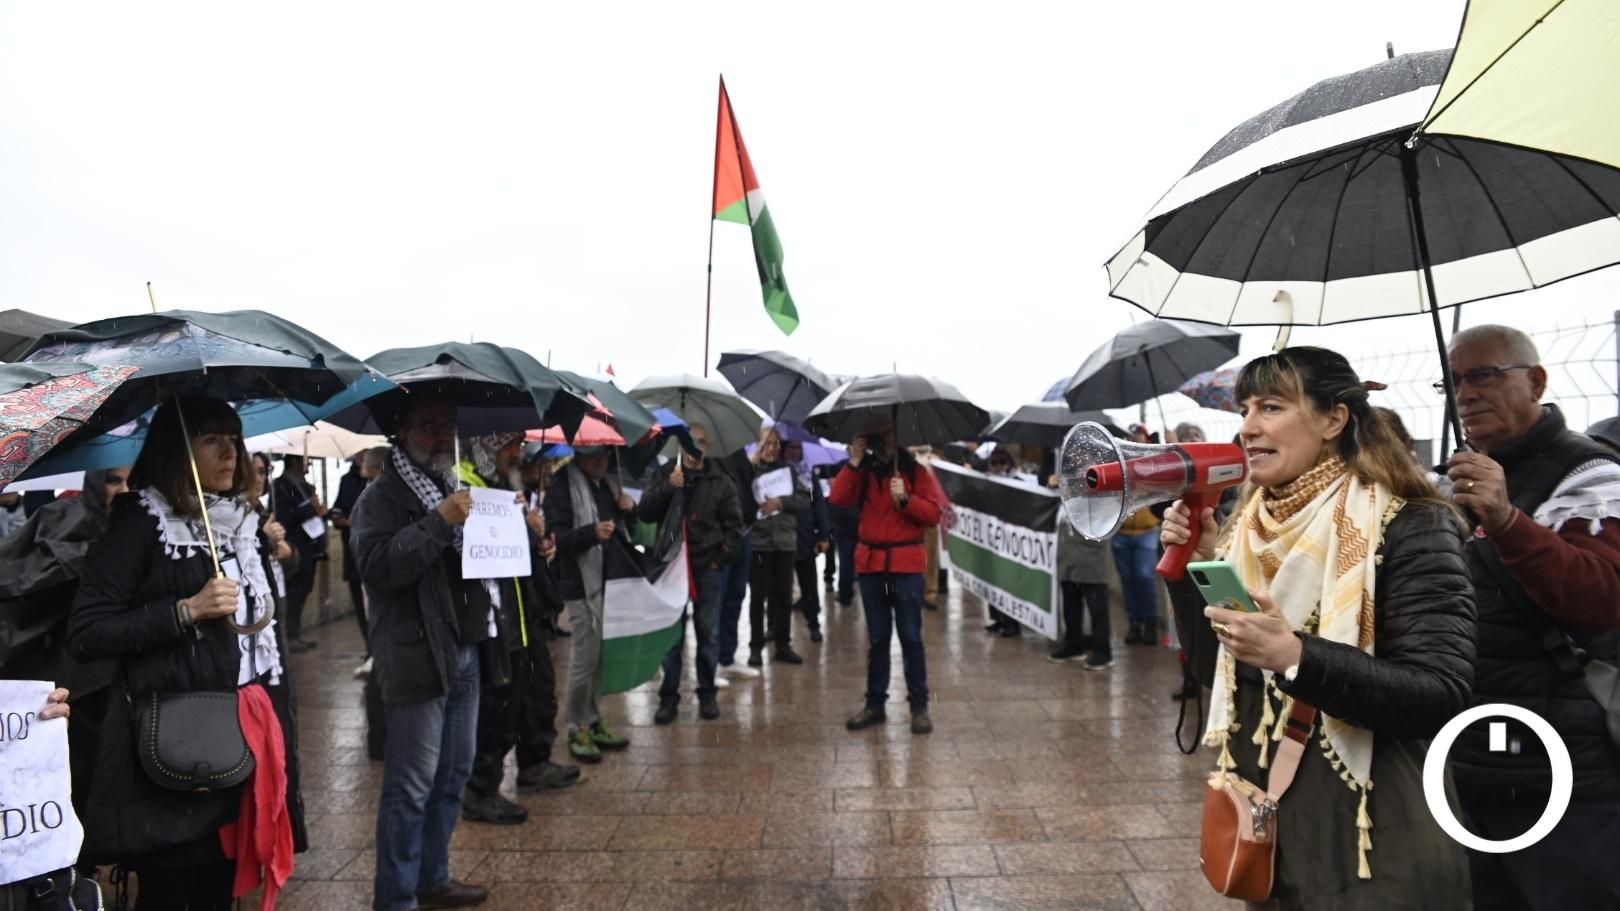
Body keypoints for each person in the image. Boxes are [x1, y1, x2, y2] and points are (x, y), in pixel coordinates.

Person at [1162, 347, 1475, 909]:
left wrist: (1295, 657)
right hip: (1277, 820)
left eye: (1272, 407)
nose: (1249, 428)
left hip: (1375, 828)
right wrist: (1195, 571)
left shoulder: (1412, 525)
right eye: (1244, 410)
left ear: (1335, 419)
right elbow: (1220, 674)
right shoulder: (1244, 531)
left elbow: (1439, 693)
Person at [69, 396, 305, 910]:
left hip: (246, 731)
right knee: (176, 889)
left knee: (220, 888)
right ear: (178, 451)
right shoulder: (142, 520)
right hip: (177, 742)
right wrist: (185, 611)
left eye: (234, 439)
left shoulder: (244, 524)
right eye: (211, 440)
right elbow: (87, 632)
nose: (231, 454)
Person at [1440, 325, 1620, 909]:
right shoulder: (1454, 482)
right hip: (1472, 753)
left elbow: (1600, 599)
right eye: (1455, 379)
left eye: (1483, 374)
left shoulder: (1591, 474)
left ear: (1535, 380)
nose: (1465, 393)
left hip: (1564, 762)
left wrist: (1508, 519)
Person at [351, 396, 489, 910]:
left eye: (448, 424)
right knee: (410, 787)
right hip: (415, 655)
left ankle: (434, 875)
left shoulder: (455, 488)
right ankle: (396, 897)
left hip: (464, 648)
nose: (440, 435)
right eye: (429, 425)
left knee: (453, 774)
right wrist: (439, 522)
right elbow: (379, 568)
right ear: (402, 433)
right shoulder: (379, 498)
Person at [455, 433, 580, 827]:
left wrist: (533, 535)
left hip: (524, 614)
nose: (518, 453)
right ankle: (480, 790)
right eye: (509, 445)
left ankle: (535, 762)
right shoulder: (466, 482)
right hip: (497, 618)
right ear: (487, 446)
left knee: (534, 691)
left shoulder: (501, 486)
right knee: (497, 708)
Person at [831, 414, 944, 736]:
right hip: (871, 566)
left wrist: (906, 499)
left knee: (911, 637)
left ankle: (919, 707)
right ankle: (875, 704)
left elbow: (934, 515)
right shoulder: (863, 472)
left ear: (896, 437)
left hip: (906, 566)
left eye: (885, 436)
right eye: (874, 437)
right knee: (878, 639)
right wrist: (854, 461)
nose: (881, 443)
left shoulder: (915, 472)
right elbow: (839, 500)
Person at [642, 424, 743, 724]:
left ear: (708, 446)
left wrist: (718, 560)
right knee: (672, 636)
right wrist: (667, 488)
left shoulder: (721, 481)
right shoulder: (666, 474)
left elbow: (735, 529)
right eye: (687, 442)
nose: (692, 448)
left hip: (706, 567)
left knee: (707, 632)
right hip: (671, 568)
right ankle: (668, 697)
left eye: (699, 442)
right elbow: (645, 512)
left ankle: (707, 692)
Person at [546, 445, 636, 764]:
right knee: (584, 656)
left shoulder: (606, 484)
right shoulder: (561, 486)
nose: (601, 462)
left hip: (605, 579)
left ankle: (593, 718)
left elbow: (621, 531)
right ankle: (575, 726)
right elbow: (556, 539)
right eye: (595, 456)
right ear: (579, 455)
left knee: (599, 655)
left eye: (605, 456)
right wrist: (591, 533)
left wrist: (626, 510)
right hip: (578, 582)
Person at [743, 426, 809, 665]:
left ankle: (783, 644)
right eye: (766, 444)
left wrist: (781, 502)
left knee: (783, 597)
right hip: (759, 542)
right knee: (758, 597)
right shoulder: (750, 470)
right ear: (758, 445)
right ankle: (755, 647)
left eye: (775, 444)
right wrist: (749, 470)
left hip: (784, 542)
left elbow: (805, 498)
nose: (771, 449)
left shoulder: (788, 471)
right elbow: (738, 499)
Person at [1048, 474, 1114, 670]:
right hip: (1068, 548)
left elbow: (1106, 497)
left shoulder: (1101, 470)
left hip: (1091, 551)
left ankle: (1103, 650)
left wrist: (1073, 488)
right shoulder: (1065, 468)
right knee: (1070, 601)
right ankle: (1073, 643)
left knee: (1096, 604)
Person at [272, 454, 327, 652]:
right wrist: (309, 508)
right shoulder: (280, 486)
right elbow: (283, 516)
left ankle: (295, 634)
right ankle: (289, 636)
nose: (309, 464)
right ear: (294, 462)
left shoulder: (306, 486)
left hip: (310, 547)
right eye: (305, 460)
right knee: (294, 592)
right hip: (294, 548)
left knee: (303, 590)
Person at [784, 439, 832, 644]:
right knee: (780, 588)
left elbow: (819, 506)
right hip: (781, 539)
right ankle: (776, 629)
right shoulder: (776, 474)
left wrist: (823, 535)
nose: (795, 452)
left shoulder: (808, 475)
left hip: (804, 537)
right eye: (791, 448)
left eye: (798, 448)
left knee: (809, 585)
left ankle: (814, 623)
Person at [330, 453, 373, 665]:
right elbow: (338, 511)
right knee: (361, 605)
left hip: (378, 556)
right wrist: (343, 519)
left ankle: (379, 648)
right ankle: (370, 648)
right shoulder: (349, 481)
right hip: (356, 554)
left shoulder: (386, 483)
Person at [982, 450, 1022, 637]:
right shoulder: (989, 482)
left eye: (1000, 463)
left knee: (1008, 583)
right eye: (994, 463)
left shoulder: (1018, 482)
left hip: (1009, 541)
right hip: (992, 539)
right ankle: (998, 618)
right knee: (993, 580)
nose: (997, 467)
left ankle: (1012, 623)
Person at [822, 459, 861, 608]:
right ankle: (847, 589)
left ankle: (845, 593)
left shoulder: (839, 465)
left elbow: (835, 494)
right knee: (852, 558)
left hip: (844, 518)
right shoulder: (864, 466)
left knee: (846, 559)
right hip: (854, 518)